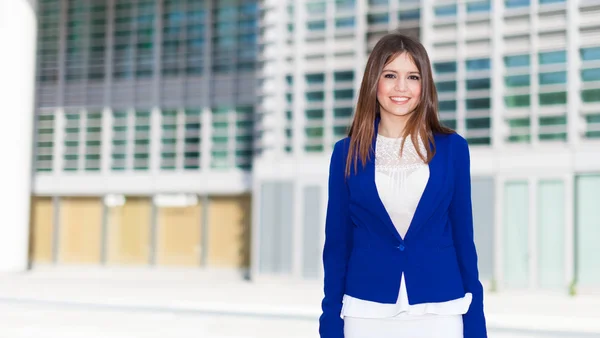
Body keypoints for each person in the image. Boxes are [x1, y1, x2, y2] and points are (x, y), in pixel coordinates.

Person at [318, 32, 487, 338]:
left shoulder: (453, 149)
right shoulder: (346, 152)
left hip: (440, 310)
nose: (401, 87)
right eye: (390, 75)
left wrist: (476, 320)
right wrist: (330, 319)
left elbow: (464, 238)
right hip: (365, 311)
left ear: (425, 86)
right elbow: (337, 245)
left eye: (413, 76)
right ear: (374, 82)